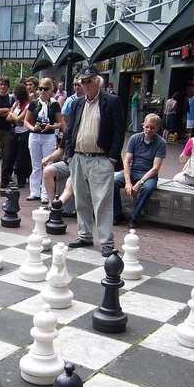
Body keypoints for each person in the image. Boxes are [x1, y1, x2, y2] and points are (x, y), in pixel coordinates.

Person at [65, 65, 125, 257]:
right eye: (83, 82)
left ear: (98, 82)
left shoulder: (112, 101)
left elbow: (118, 132)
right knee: (81, 199)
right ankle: (85, 235)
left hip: (101, 159)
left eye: (89, 81)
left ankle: (107, 242)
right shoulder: (77, 103)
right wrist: (69, 155)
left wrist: (113, 158)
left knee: (102, 202)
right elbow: (70, 130)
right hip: (78, 157)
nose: (86, 85)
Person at [113, 114, 166, 228]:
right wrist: (128, 182)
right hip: (133, 170)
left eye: (152, 128)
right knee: (112, 183)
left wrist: (139, 183)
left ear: (158, 129)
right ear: (143, 125)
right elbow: (126, 162)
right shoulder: (134, 138)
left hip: (148, 174)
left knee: (147, 188)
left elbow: (155, 168)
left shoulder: (161, 142)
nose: (149, 130)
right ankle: (117, 214)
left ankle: (134, 217)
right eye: (147, 127)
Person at [24, 77, 62, 204]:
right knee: (36, 165)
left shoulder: (55, 104)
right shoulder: (34, 103)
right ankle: (34, 191)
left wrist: (51, 126)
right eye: (40, 89)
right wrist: (32, 127)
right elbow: (26, 121)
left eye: (45, 89)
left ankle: (45, 193)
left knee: (47, 164)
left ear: (50, 89)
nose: (42, 91)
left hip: (49, 136)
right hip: (35, 136)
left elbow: (60, 122)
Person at [1, 83, 31, 190]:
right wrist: (15, 117)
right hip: (15, 131)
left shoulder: (28, 105)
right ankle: (5, 179)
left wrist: (14, 116)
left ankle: (21, 180)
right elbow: (9, 118)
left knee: (22, 157)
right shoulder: (15, 104)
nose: (14, 94)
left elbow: (18, 118)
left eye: (15, 93)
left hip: (24, 133)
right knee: (10, 156)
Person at [174, 119, 194, 187]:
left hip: (192, 178)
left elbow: (182, 159)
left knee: (175, 178)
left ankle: (178, 197)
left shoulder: (193, 140)